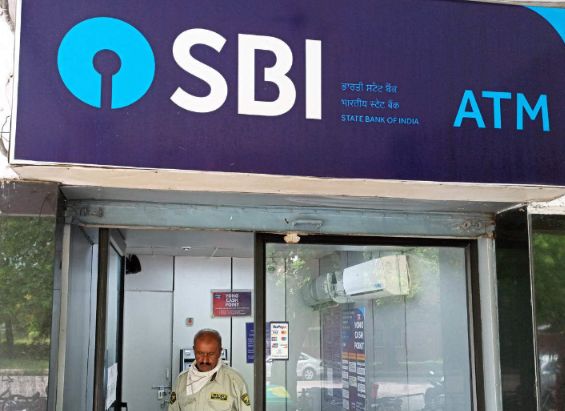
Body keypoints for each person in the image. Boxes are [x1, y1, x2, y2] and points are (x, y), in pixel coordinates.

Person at [169, 328, 252, 410]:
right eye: (200, 353)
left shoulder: (234, 380)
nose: (205, 360)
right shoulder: (182, 380)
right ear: (194, 351)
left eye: (211, 354)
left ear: (220, 352)